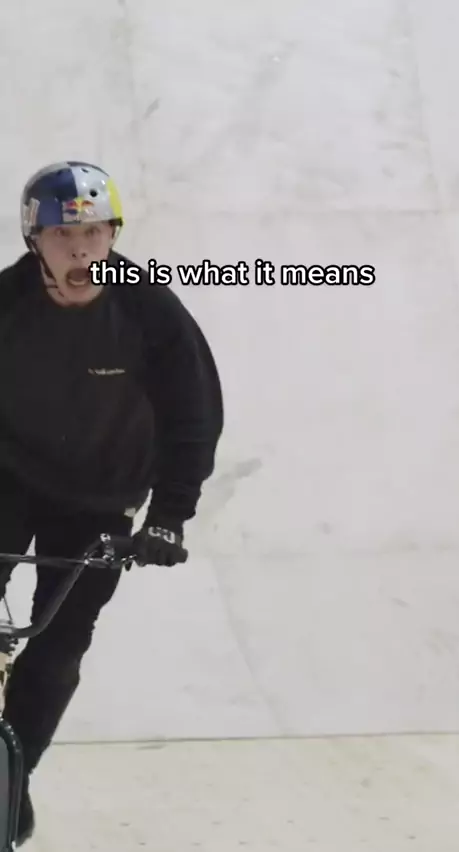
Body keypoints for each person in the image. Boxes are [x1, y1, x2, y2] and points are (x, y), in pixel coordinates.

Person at [0, 160, 224, 845]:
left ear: (114, 234)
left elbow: (192, 415)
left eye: (94, 233)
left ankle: (12, 778)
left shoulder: (148, 309)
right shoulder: (6, 302)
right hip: (8, 477)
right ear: (34, 239)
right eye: (63, 236)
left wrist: (168, 517)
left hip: (100, 497)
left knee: (59, 647)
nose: (81, 250)